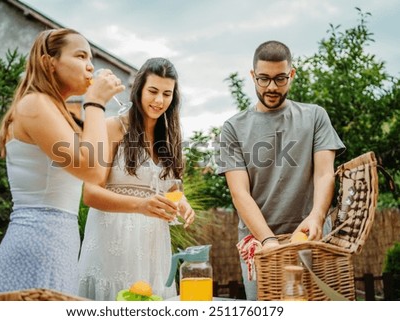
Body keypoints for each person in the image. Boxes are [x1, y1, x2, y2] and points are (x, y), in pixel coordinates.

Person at [0, 28, 125, 296]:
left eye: (91, 58)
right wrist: (94, 104)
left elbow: (97, 168)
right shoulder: (35, 104)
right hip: (36, 249)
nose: (90, 65)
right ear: (50, 62)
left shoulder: (54, 110)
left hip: (56, 245)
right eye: (81, 55)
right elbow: (92, 170)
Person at [218, 40, 345, 300]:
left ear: (292, 74)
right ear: (252, 76)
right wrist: (268, 241)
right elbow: (239, 194)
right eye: (263, 79)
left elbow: (324, 174)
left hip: (313, 237)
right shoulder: (233, 128)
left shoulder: (315, 117)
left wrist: (317, 217)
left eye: (280, 78)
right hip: (259, 243)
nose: (272, 87)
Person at [77, 57, 195, 300]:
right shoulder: (112, 128)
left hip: (153, 246)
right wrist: (141, 205)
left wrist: (180, 201)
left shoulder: (169, 138)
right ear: (138, 89)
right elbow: (90, 193)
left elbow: (169, 186)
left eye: (167, 93)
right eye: (152, 91)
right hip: (113, 243)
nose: (159, 100)